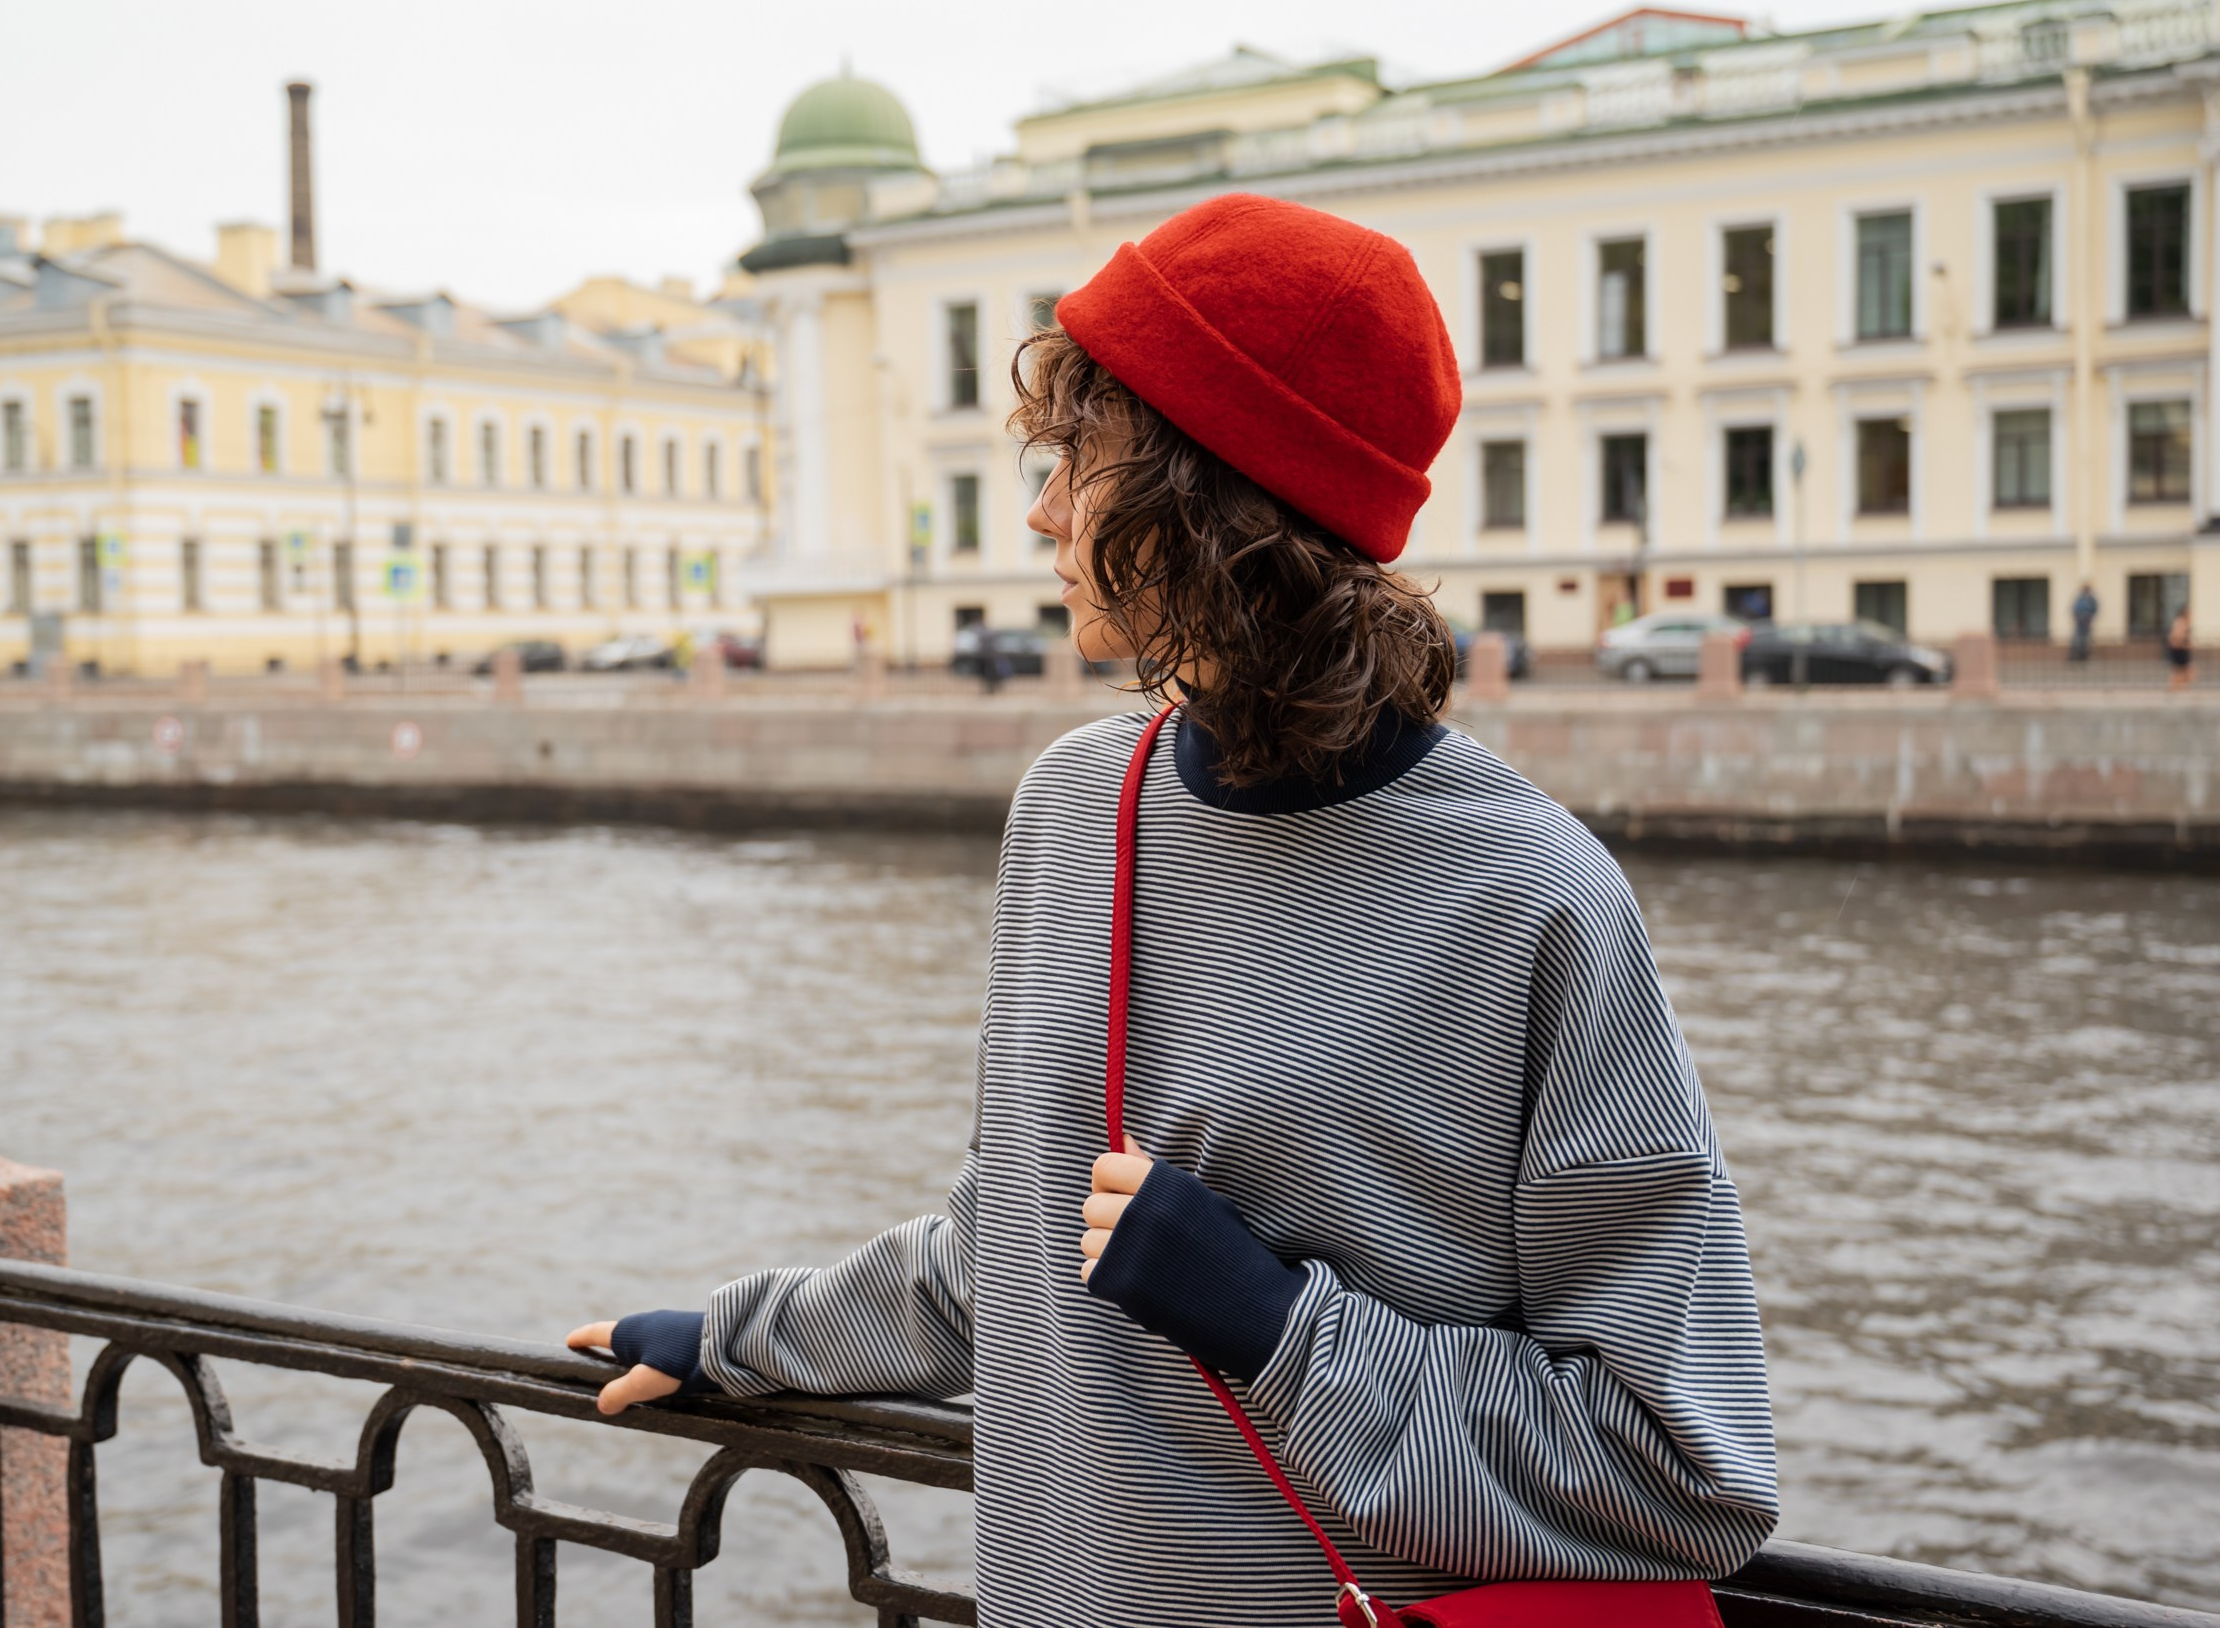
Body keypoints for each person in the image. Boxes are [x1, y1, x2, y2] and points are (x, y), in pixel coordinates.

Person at [569, 193, 1778, 1626]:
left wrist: (1275, 1323)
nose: (1038, 512)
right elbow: (1018, 1250)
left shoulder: (1531, 897)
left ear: (1207, 499)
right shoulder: (1071, 807)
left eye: (1078, 461)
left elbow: (1677, 1471)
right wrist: (736, 1337)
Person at [2070, 581, 2098, 664]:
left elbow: (2094, 609)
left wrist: (2088, 617)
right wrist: (2078, 617)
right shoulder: (2080, 599)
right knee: (2077, 640)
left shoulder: (2091, 600)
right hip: (2079, 623)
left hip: (2087, 623)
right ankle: (2076, 656)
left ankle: (2085, 656)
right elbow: (2075, 609)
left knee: (2086, 641)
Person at [2170, 602, 2195, 692]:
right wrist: (2185, 645)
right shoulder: (2180, 622)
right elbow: (2176, 637)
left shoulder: (2185, 622)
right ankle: (2175, 687)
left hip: (2182, 650)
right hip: (2179, 650)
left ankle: (2177, 687)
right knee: (2180, 671)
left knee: (2184, 671)